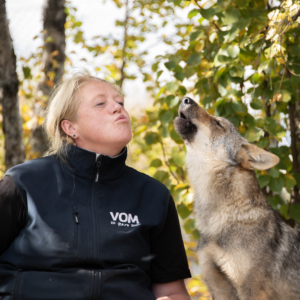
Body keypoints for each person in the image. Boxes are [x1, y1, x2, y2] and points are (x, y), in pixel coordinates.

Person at [0, 70, 191, 300]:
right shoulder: (23, 183)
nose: (117, 107)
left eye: (120, 101)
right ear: (70, 128)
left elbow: (171, 290)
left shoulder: (153, 196)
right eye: (100, 103)